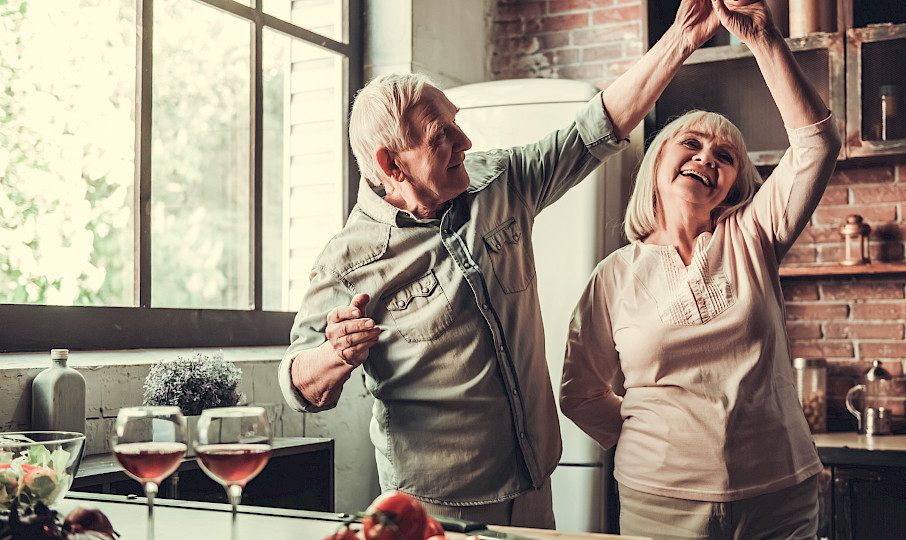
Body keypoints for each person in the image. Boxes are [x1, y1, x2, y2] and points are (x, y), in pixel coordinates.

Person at [278, 0, 722, 527]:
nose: (465, 142)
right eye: (441, 136)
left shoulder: (499, 182)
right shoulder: (348, 259)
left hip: (534, 483)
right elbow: (298, 385)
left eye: (456, 123)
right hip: (436, 507)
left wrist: (682, 38)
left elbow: (592, 131)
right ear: (391, 164)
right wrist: (334, 354)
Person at [558, 0, 842, 538]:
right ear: (656, 163)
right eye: (691, 144)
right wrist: (657, 441)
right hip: (658, 500)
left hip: (779, 495)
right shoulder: (614, 275)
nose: (707, 157)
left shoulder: (752, 234)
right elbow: (581, 394)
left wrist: (762, 38)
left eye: (725, 156)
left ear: (732, 185)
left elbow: (816, 144)